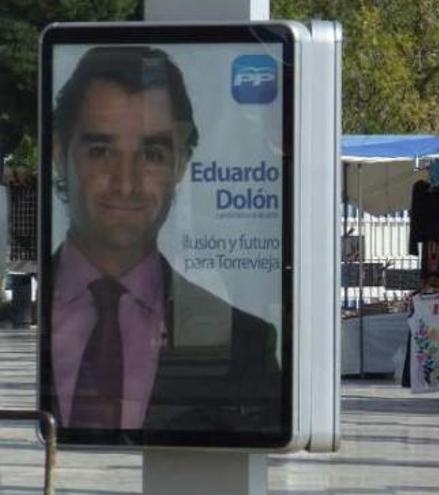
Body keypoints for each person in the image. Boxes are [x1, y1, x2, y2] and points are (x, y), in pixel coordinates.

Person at [46, 46, 280, 434]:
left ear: (181, 165)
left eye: (152, 154)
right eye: (101, 151)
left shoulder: (245, 345)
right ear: (59, 155)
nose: (127, 183)